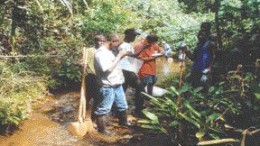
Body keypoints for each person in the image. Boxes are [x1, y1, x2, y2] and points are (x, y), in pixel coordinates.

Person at [93, 34, 129, 135]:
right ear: (112, 42)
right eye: (118, 44)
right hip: (107, 86)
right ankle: (102, 130)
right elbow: (108, 69)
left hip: (117, 83)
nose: (118, 46)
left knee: (122, 105)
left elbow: (114, 63)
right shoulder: (100, 53)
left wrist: (120, 56)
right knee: (103, 109)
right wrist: (119, 56)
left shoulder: (109, 51)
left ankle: (124, 124)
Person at [118, 28, 145, 116]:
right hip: (125, 70)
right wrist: (143, 48)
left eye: (135, 35)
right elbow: (132, 55)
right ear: (128, 35)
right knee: (140, 88)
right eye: (133, 35)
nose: (134, 37)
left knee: (123, 89)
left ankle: (118, 111)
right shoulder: (123, 45)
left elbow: (133, 58)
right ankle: (138, 110)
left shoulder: (129, 45)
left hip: (128, 69)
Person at [84, 34, 106, 121]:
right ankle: (84, 114)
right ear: (95, 42)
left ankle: (93, 117)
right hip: (91, 76)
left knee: (98, 97)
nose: (101, 43)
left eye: (103, 41)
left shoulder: (104, 51)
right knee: (89, 96)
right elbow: (84, 62)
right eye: (99, 41)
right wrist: (83, 65)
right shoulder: (90, 50)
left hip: (100, 77)